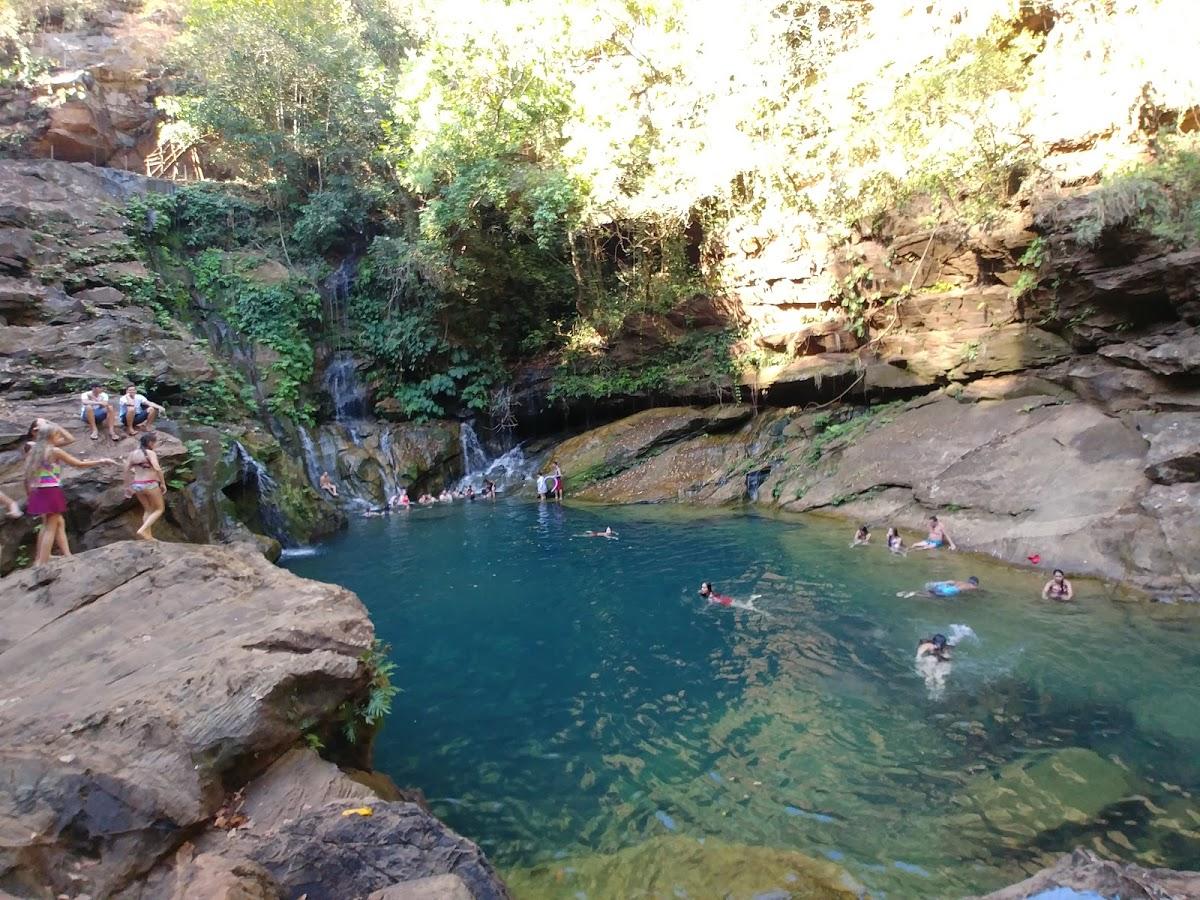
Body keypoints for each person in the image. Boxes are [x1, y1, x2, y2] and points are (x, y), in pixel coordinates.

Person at [24, 423, 116, 565]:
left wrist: (29, 493)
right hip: (51, 490)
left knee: (47, 524)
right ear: (50, 436)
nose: (59, 437)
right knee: (51, 527)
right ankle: (42, 562)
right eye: (56, 435)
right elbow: (78, 464)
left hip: (38, 489)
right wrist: (101, 461)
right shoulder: (54, 451)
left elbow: (27, 475)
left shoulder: (34, 451)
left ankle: (41, 559)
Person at [123, 432, 167, 540]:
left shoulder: (133, 454)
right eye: (155, 442)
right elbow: (157, 468)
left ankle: (148, 536)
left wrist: (127, 486)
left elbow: (126, 470)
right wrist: (162, 483)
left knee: (148, 510)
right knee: (159, 509)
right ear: (150, 443)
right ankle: (142, 530)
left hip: (137, 485)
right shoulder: (150, 453)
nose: (155, 445)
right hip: (150, 484)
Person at [899, 576, 980, 598]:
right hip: (951, 590)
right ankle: (916, 593)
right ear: (975, 583)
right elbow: (977, 590)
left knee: (932, 592)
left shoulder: (961, 582)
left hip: (944, 585)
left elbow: (951, 581)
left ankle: (913, 592)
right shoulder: (972, 586)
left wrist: (938, 583)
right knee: (933, 596)